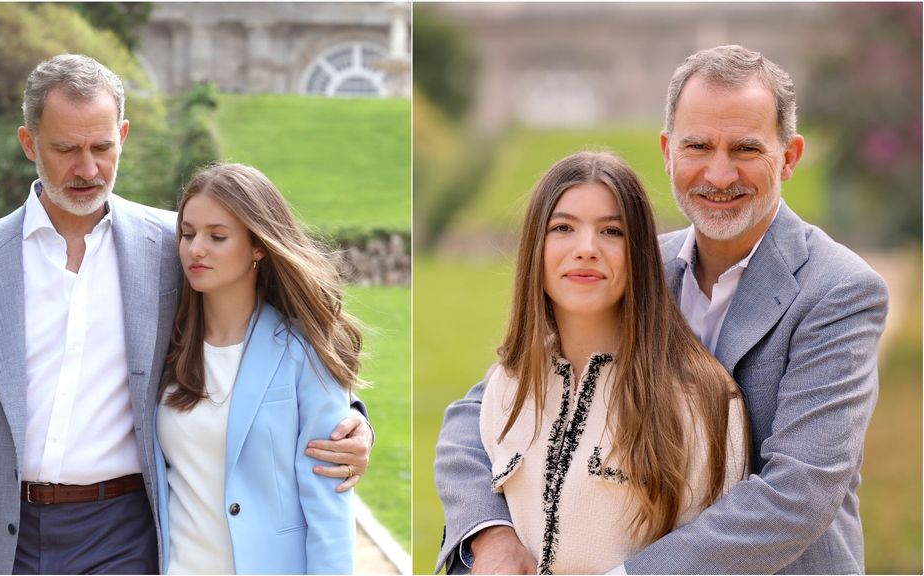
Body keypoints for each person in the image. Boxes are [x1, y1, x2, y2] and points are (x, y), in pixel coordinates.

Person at [0, 54, 372, 575]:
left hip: (124, 536)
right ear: (29, 143)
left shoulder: (176, 246)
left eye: (102, 147)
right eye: (66, 149)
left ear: (122, 135)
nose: (87, 169)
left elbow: (277, 319)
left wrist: (352, 421)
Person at [435, 45, 888, 574]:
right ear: (668, 151)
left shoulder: (839, 291)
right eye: (698, 146)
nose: (719, 175)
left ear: (788, 157)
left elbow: (797, 494)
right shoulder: (638, 262)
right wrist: (488, 535)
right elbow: (482, 409)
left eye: (745, 149)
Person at [474, 150, 748, 574]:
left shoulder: (703, 399)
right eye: (562, 228)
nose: (586, 249)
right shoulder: (507, 384)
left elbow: (719, 561)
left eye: (611, 231)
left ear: (639, 253)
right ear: (535, 249)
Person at [154, 163, 357, 574]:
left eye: (217, 236)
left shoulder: (305, 351)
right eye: (188, 234)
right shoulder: (164, 347)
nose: (196, 249)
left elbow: (328, 503)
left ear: (258, 247)